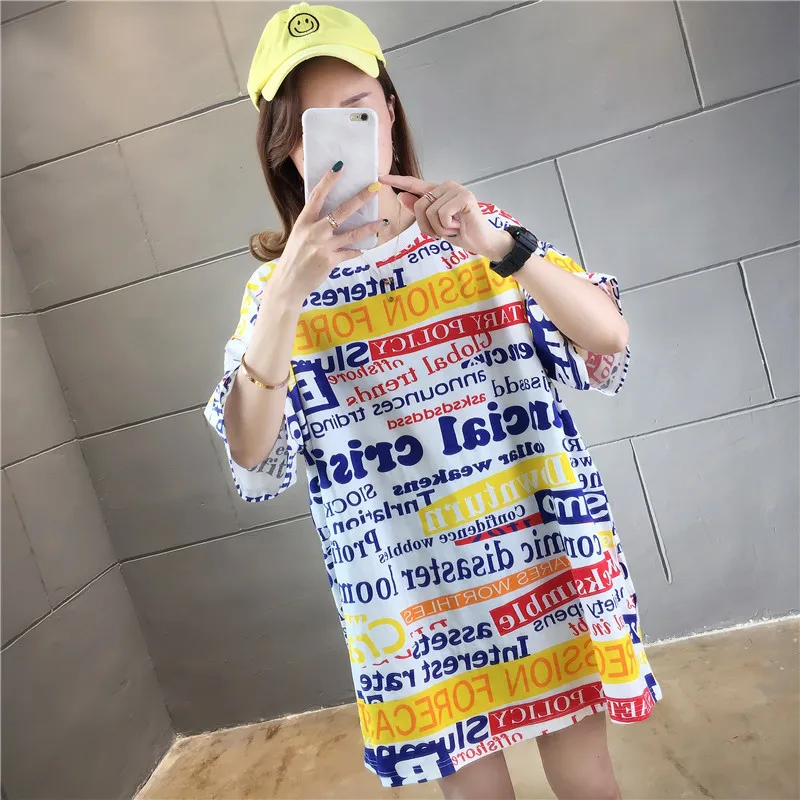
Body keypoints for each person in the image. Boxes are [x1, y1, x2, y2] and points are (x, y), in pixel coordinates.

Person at [205, 3, 661, 797]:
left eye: (358, 110)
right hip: (409, 594)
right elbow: (252, 452)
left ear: (389, 113)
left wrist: (496, 245)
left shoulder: (474, 234)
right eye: (314, 128)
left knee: (587, 775)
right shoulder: (274, 296)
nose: (341, 140)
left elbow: (607, 337)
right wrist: (285, 298)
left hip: (539, 549)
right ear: (286, 150)